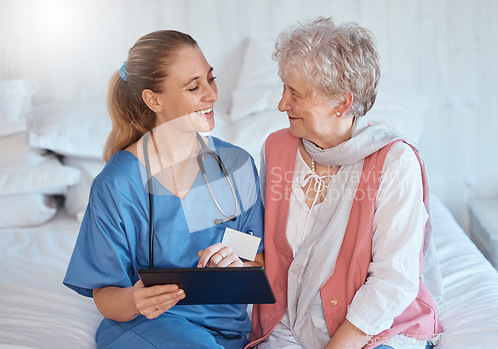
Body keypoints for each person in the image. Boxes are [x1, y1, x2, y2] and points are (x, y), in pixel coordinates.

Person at [247, 17, 442, 349]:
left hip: (372, 329)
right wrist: (227, 253)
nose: (282, 104)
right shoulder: (275, 148)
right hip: (287, 322)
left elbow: (393, 280)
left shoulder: (395, 162)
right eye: (284, 88)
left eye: (295, 93)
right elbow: (259, 240)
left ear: (342, 103)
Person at [63, 30, 264, 349]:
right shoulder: (119, 184)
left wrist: (238, 263)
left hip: (231, 332)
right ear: (153, 99)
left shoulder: (236, 165)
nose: (211, 95)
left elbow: (256, 257)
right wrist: (135, 299)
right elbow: (105, 296)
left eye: (211, 79)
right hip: (152, 325)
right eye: (194, 87)